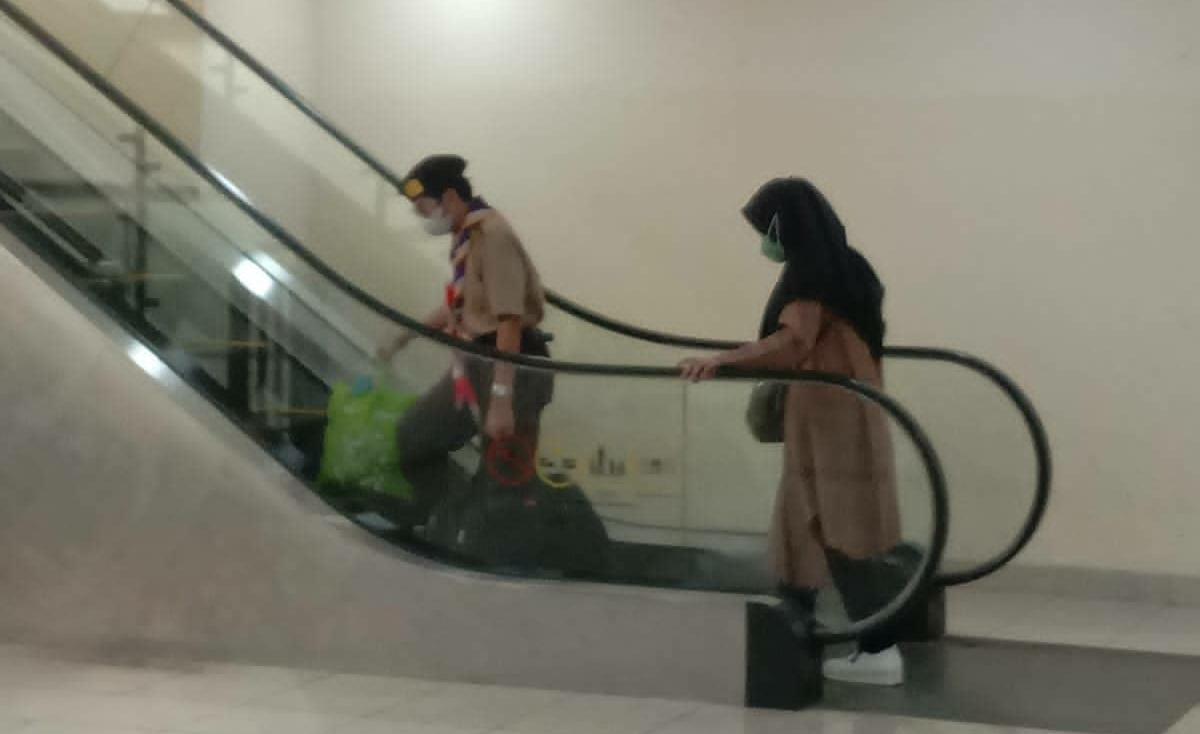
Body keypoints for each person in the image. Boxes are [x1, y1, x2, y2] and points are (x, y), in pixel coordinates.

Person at [679, 177, 907, 686]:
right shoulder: (850, 268)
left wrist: (722, 362)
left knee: (837, 529)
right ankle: (797, 632)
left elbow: (791, 343)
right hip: (846, 414)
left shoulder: (810, 277)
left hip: (830, 421)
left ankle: (878, 648)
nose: (766, 242)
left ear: (787, 226)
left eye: (768, 230)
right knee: (809, 524)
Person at [378, 154, 551, 508]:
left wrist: (502, 398)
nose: (422, 219)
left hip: (512, 365)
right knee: (412, 436)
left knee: (505, 476)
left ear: (449, 198)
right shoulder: (466, 237)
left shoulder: (493, 234)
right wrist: (404, 337)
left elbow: (508, 319)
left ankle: (496, 533)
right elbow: (463, 305)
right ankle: (453, 520)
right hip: (476, 360)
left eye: (424, 209)